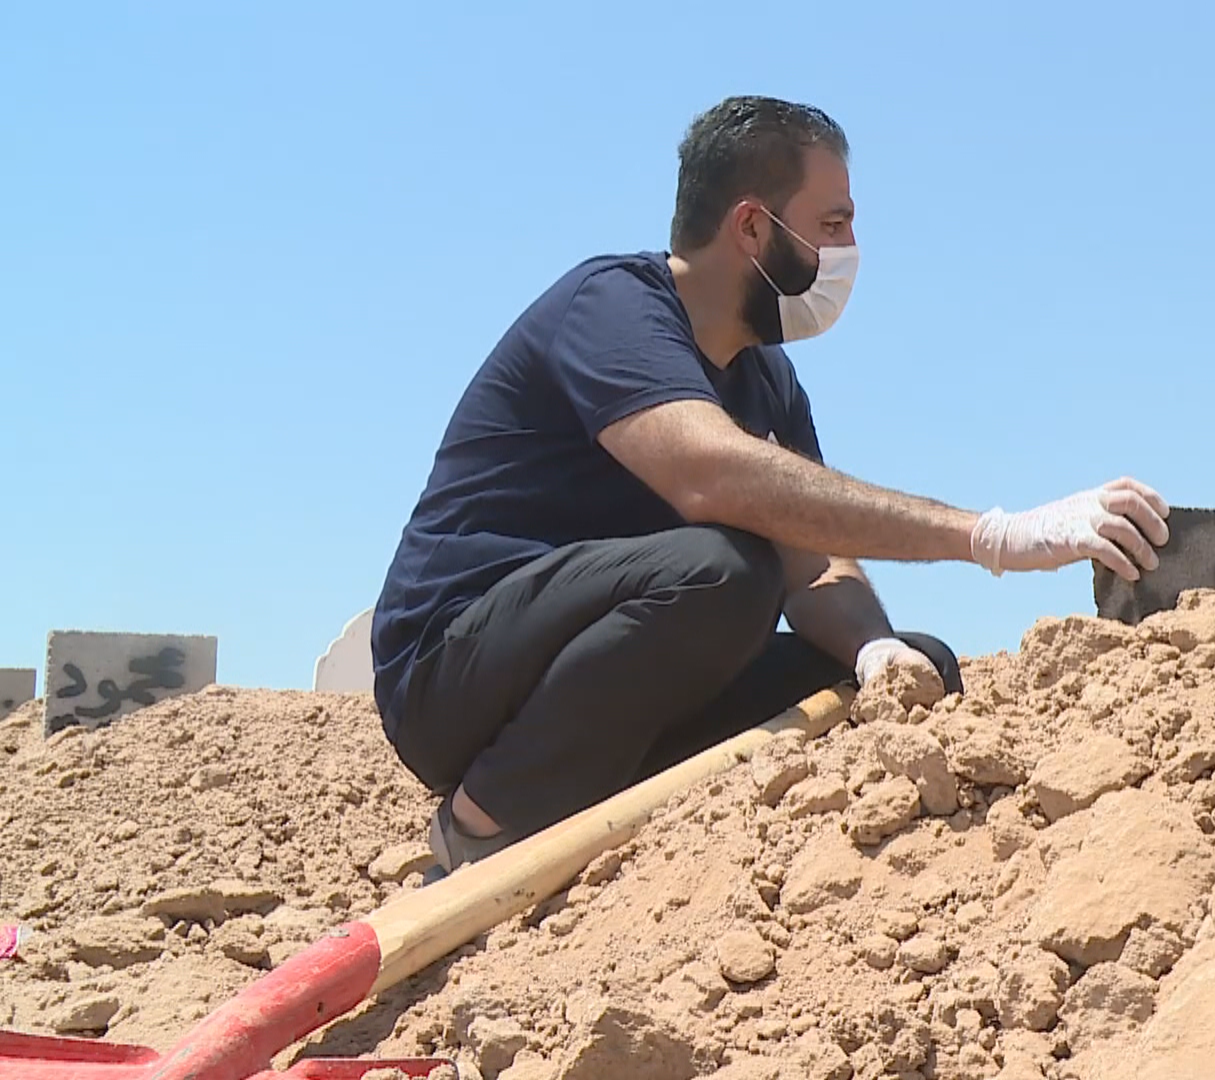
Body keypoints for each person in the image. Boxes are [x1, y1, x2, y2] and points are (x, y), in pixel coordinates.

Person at [371, 95, 1171, 874]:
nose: (852, 247)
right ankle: (482, 823)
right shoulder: (610, 307)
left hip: (606, 674)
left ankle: (605, 808)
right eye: (833, 224)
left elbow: (814, 560)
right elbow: (711, 475)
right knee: (724, 572)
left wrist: (873, 651)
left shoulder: (768, 381)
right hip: (452, 673)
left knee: (905, 666)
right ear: (753, 226)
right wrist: (991, 538)